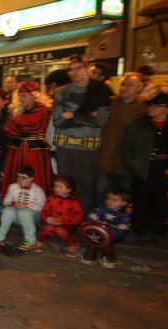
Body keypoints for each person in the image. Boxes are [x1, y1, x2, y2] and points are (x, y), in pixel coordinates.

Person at [121, 92, 168, 243]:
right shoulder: (138, 125)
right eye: (150, 105)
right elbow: (127, 147)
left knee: (161, 199)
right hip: (143, 166)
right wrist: (132, 165)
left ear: (167, 109)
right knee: (141, 198)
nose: (151, 108)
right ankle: (140, 230)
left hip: (167, 167)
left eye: (155, 106)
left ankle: (157, 229)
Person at [53, 54, 113, 212]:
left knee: (87, 187)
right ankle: (66, 217)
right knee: (64, 185)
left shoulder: (100, 90)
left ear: (86, 68)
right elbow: (58, 121)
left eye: (78, 68)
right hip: (65, 148)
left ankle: (84, 219)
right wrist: (88, 117)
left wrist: (73, 115)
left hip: (88, 148)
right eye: (70, 69)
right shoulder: (63, 92)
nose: (74, 72)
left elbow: (101, 120)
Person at [96, 72, 147, 203]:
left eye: (130, 85)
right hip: (106, 160)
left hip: (128, 164)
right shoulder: (110, 103)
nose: (124, 88)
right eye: (123, 84)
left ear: (140, 87)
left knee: (125, 198)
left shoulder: (144, 107)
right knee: (102, 196)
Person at [2, 81, 52, 195]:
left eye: (24, 96)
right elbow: (8, 129)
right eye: (19, 96)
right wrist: (20, 129)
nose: (21, 99)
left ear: (33, 95)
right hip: (17, 151)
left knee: (35, 177)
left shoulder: (43, 111)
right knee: (16, 176)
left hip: (35, 152)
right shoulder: (16, 110)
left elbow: (38, 128)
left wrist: (19, 126)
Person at [0, 166, 46, 251]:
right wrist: (14, 203)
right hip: (16, 215)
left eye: (23, 178)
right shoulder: (13, 187)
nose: (19, 179)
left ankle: (31, 241)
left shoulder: (38, 190)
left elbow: (42, 207)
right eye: (18, 177)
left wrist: (26, 205)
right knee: (8, 211)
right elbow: (6, 202)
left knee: (24, 212)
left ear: (31, 179)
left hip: (32, 217)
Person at [81, 188, 131, 268]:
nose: (110, 201)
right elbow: (92, 216)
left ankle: (108, 259)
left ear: (124, 203)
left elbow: (122, 230)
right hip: (96, 233)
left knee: (107, 248)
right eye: (109, 198)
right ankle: (89, 257)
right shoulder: (102, 209)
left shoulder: (123, 216)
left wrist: (112, 236)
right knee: (91, 245)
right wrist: (89, 222)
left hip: (110, 236)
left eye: (114, 200)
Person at [34, 176, 83, 257]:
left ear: (69, 189)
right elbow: (43, 213)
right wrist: (48, 219)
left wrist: (63, 221)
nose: (56, 189)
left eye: (60, 187)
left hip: (68, 226)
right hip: (52, 223)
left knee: (60, 230)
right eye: (55, 186)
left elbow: (78, 219)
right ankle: (40, 241)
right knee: (48, 228)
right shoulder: (50, 199)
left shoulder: (75, 203)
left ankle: (73, 245)